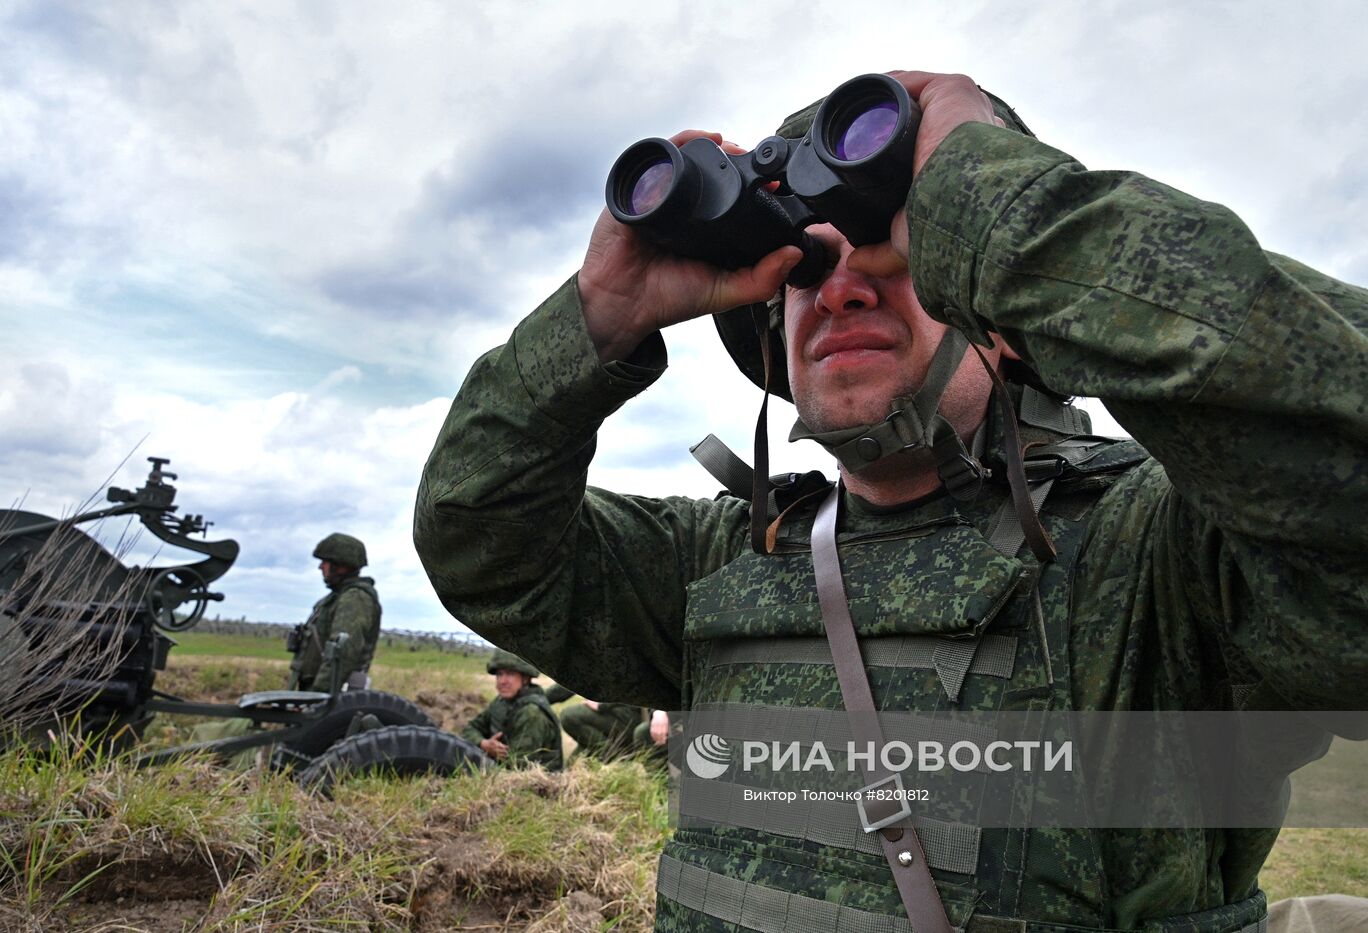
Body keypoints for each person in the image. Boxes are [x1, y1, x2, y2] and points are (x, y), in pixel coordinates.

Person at [415, 69, 1366, 932]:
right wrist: (596, 321)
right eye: (805, 272)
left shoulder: (1167, 553)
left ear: (1007, 316)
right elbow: (477, 538)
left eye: (900, 255)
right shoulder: (726, 557)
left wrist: (997, 209)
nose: (841, 294)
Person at [288, 533, 382, 692]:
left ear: (341, 566)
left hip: (331, 697)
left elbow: (343, 653)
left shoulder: (354, 599)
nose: (320, 567)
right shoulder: (334, 600)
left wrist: (319, 696)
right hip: (318, 694)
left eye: (325, 562)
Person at [460, 649, 563, 771]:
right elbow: (469, 730)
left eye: (510, 674)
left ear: (525, 678)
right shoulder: (501, 702)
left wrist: (491, 754)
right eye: (499, 674)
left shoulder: (532, 713)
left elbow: (519, 767)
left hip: (536, 783)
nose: (502, 681)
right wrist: (484, 744)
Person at [545, 684, 646, 764]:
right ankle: (607, 756)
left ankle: (614, 758)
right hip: (615, 716)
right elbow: (574, 681)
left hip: (635, 717)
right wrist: (536, 697)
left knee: (570, 716)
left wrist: (602, 704)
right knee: (574, 765)